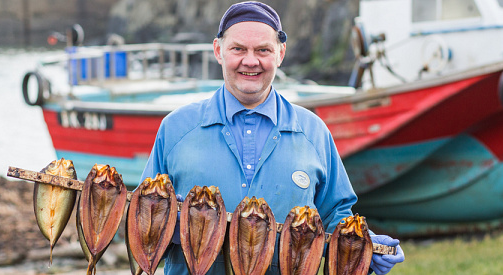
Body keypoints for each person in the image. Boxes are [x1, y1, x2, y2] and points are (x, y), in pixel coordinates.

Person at [140, 2, 404, 274]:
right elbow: (140, 217)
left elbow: (336, 217)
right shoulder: (175, 128)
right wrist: (175, 223)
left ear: (280, 53)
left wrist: (364, 245)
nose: (251, 61)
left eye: (263, 50)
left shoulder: (313, 132)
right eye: (238, 49)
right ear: (219, 51)